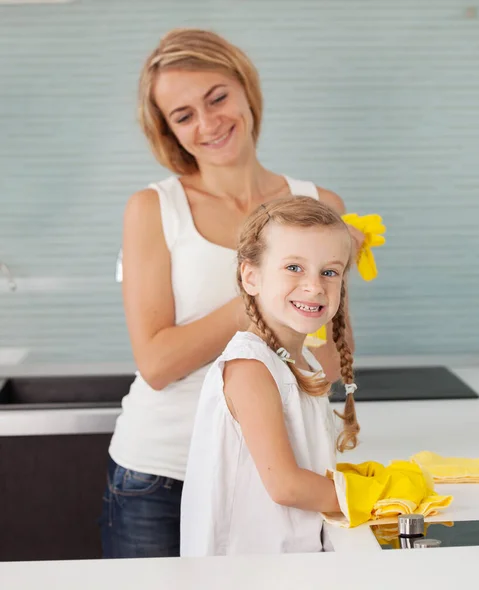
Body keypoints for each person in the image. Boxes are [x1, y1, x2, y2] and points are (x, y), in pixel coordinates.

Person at [100, 28, 361, 558]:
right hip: (161, 476)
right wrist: (264, 296)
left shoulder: (318, 203)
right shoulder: (154, 209)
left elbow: (329, 363)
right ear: (169, 131)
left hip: (285, 472)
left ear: (246, 89)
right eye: (184, 115)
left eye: (217, 97)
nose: (209, 122)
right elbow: (156, 362)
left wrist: (309, 283)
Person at [180, 197, 360, 556]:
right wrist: (380, 497)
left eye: (330, 272)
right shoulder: (250, 368)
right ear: (252, 277)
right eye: (294, 267)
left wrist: (354, 482)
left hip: (290, 564)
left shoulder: (299, 359)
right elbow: (285, 485)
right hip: (243, 573)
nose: (314, 286)